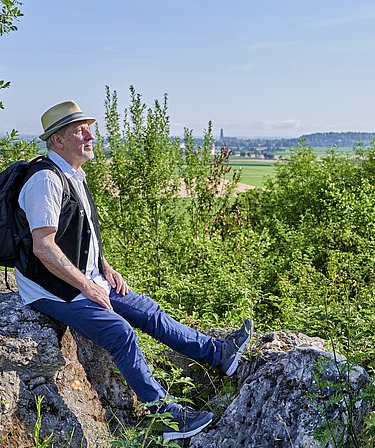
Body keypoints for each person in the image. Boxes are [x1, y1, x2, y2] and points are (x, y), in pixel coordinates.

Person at [14, 100, 252, 441]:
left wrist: (104, 268)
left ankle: (220, 355)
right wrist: (88, 286)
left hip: (85, 279)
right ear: (57, 141)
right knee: (120, 333)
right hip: (52, 290)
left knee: (147, 311)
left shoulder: (74, 175)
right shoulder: (45, 181)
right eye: (78, 130)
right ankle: (166, 417)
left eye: (88, 128)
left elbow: (82, 234)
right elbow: (44, 246)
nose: (89, 135)